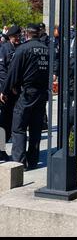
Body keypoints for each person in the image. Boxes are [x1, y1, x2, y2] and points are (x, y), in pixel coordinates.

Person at [0, 24, 49, 169]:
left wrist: (5, 90)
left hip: (26, 93)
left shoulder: (23, 49)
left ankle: (19, 162)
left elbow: (13, 73)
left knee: (18, 127)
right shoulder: (47, 49)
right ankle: (33, 160)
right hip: (41, 93)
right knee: (35, 128)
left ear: (27, 34)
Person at [0, 25, 22, 161]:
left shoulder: (19, 48)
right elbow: (2, 71)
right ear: (9, 37)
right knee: (3, 122)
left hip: (16, 91)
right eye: (15, 37)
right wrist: (8, 87)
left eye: (18, 36)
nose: (17, 38)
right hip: (5, 91)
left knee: (10, 123)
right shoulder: (4, 49)